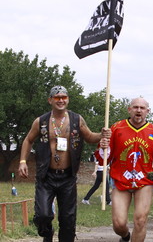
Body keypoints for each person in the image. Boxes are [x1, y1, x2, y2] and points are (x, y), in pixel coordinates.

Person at [18, 85, 111, 242]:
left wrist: (102, 135)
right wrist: (22, 161)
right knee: (43, 215)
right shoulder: (41, 121)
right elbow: (28, 140)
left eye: (64, 97)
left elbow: (89, 137)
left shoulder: (76, 119)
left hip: (67, 177)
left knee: (68, 220)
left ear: (68, 99)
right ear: (50, 100)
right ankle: (47, 232)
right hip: (46, 176)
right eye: (57, 97)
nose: (61, 100)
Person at [97, 97, 153, 242]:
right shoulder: (117, 128)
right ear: (129, 109)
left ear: (147, 111)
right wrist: (103, 146)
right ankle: (125, 237)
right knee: (118, 224)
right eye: (136, 107)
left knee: (140, 220)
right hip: (121, 179)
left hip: (144, 181)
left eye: (142, 108)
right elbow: (104, 158)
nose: (139, 110)